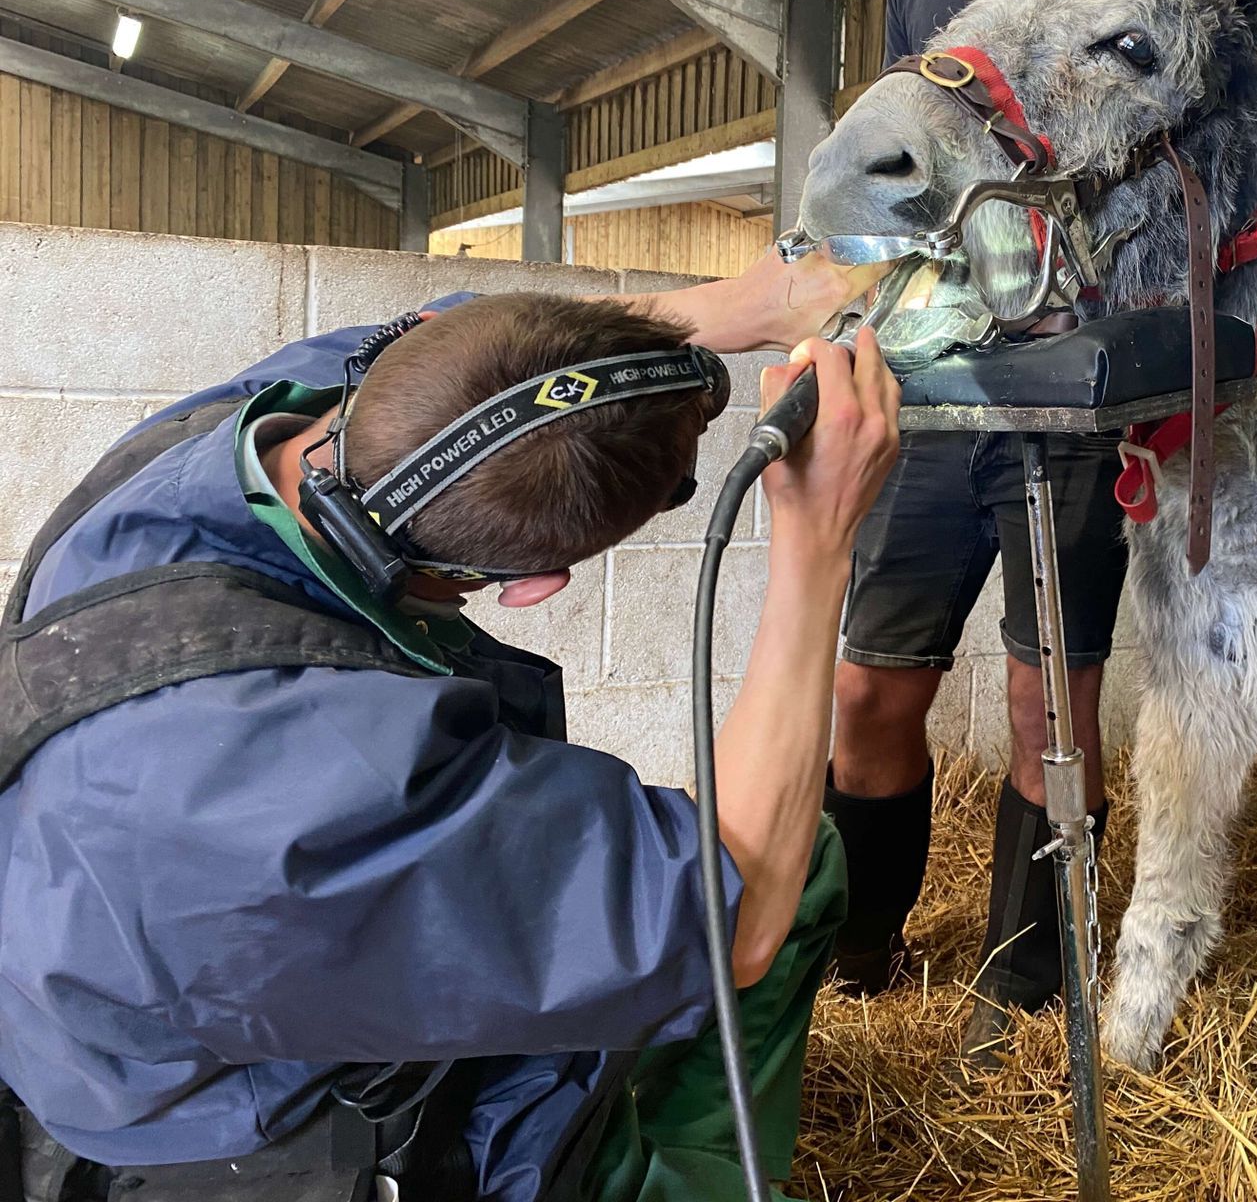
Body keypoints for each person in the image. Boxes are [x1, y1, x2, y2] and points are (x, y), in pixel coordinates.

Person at [0, 252, 898, 1202]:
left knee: (814, 860)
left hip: (139, 954)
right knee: (759, 901)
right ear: (530, 590)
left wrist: (735, 306)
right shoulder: (321, 798)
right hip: (259, 1134)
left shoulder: (233, 436)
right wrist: (817, 541)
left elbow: (467, 335)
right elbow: (731, 916)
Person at [825, 0, 1210, 1060]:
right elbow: (907, 161)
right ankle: (861, 946)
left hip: (1079, 384)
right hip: (944, 374)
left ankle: (1025, 978)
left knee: (1056, 706)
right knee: (873, 689)